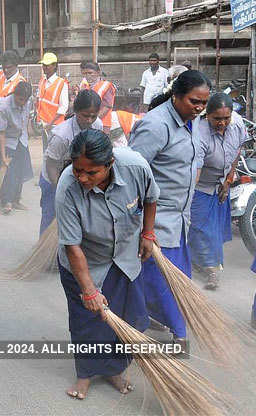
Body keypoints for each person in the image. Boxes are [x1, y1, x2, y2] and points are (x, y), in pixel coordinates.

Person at [56, 129, 157, 400]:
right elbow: (72, 245)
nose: (82, 178)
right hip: (85, 260)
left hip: (124, 257)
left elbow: (150, 198)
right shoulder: (67, 187)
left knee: (129, 318)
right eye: (78, 170)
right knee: (87, 321)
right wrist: (89, 290)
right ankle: (86, 374)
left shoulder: (135, 166)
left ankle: (114, 369)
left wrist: (148, 233)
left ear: (110, 164)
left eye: (91, 173)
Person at [129, 69, 210, 345]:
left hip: (180, 220)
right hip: (157, 222)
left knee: (175, 281)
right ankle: (179, 336)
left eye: (203, 103)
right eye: (193, 102)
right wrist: (142, 226)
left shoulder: (192, 121)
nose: (199, 108)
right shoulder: (155, 125)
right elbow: (132, 173)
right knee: (163, 284)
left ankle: (156, 319)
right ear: (176, 96)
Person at [190, 93, 248, 289]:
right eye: (217, 119)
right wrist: (188, 194)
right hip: (201, 185)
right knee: (199, 228)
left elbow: (237, 150)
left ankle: (210, 264)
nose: (222, 123)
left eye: (226, 118)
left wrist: (229, 178)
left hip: (222, 183)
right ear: (207, 115)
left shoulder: (237, 124)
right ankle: (209, 268)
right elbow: (196, 168)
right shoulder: (199, 131)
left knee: (214, 230)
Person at [40, 90, 102, 234]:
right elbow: (51, 164)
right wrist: (59, 189)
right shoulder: (62, 135)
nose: (89, 120)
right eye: (85, 115)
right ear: (75, 111)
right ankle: (44, 253)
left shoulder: (97, 125)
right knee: (51, 217)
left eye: (93, 116)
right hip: (53, 178)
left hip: (76, 175)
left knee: (74, 218)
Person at [0, 81, 34, 215]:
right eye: (21, 99)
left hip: (20, 137)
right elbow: (1, 133)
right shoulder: (4, 106)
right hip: (4, 139)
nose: (23, 102)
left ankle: (16, 200)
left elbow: (26, 119)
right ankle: (6, 201)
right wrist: (3, 157)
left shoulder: (28, 101)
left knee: (21, 169)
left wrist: (28, 131)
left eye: (25, 100)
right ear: (15, 94)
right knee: (9, 171)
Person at [78, 62, 115, 133]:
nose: (88, 76)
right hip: (86, 123)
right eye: (85, 73)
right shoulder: (84, 86)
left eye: (90, 73)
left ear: (98, 73)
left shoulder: (107, 85)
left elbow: (107, 106)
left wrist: (93, 120)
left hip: (102, 124)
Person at [37, 52, 69, 132]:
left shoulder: (61, 84)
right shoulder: (42, 81)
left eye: (47, 65)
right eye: (43, 65)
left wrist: (50, 123)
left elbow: (64, 107)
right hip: (44, 124)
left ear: (54, 65)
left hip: (56, 126)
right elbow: (39, 101)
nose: (44, 67)